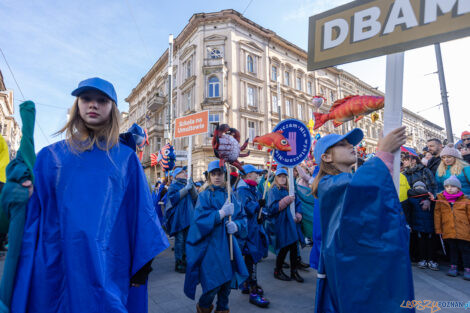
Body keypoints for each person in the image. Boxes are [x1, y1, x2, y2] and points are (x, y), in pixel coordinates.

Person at [11, 77, 169, 313]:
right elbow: (30, 215)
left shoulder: (125, 160)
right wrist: (18, 193)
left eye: (101, 100)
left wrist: (142, 267)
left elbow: (142, 215)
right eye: (86, 98)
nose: (93, 105)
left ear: (112, 108)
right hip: (56, 262)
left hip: (106, 264)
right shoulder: (50, 156)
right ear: (77, 105)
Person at [312, 127, 414, 313]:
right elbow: (360, 186)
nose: (351, 146)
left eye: (350, 143)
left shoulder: (345, 180)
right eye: (342, 144)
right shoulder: (329, 184)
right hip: (349, 266)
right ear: (326, 158)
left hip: (357, 262)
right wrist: (382, 154)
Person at [184, 160, 248, 313]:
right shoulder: (204, 196)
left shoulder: (231, 195)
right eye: (214, 174)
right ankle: (203, 307)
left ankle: (222, 309)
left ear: (224, 175)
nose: (217, 177)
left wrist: (237, 225)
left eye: (220, 173)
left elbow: (242, 218)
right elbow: (198, 221)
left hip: (229, 247)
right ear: (209, 177)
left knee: (226, 288)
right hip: (211, 248)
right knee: (213, 285)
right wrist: (220, 214)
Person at [235, 164, 269, 308]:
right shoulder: (242, 190)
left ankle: (246, 284)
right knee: (252, 259)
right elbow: (246, 208)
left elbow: (257, 210)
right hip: (248, 231)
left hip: (253, 229)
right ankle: (253, 291)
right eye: (256, 173)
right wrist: (258, 206)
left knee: (250, 259)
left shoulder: (251, 188)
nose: (258, 176)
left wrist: (262, 214)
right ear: (248, 175)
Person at [267, 168, 304, 283]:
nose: (282, 178)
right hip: (281, 223)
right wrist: (285, 201)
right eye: (280, 176)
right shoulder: (273, 190)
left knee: (293, 247)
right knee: (284, 247)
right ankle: (277, 270)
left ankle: (294, 271)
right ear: (276, 178)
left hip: (292, 223)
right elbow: (271, 209)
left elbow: (298, 203)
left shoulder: (290, 189)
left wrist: (298, 214)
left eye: (284, 176)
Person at [434, 176, 470, 280]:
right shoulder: (441, 199)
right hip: (448, 229)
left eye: (453, 186)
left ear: (458, 188)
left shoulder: (466, 200)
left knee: (465, 250)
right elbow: (437, 215)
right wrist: (438, 229)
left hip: (464, 230)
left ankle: (467, 268)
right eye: (447, 186)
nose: (449, 188)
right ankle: (453, 266)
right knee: (452, 249)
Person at [164, 166, 197, 273]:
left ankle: (185, 260)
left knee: (187, 240)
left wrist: (192, 188)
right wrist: (185, 189)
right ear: (176, 175)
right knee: (179, 241)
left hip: (189, 217)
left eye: (185, 172)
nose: (185, 173)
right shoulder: (173, 186)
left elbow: (196, 198)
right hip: (179, 218)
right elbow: (173, 199)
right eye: (182, 172)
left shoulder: (187, 183)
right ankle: (179, 262)